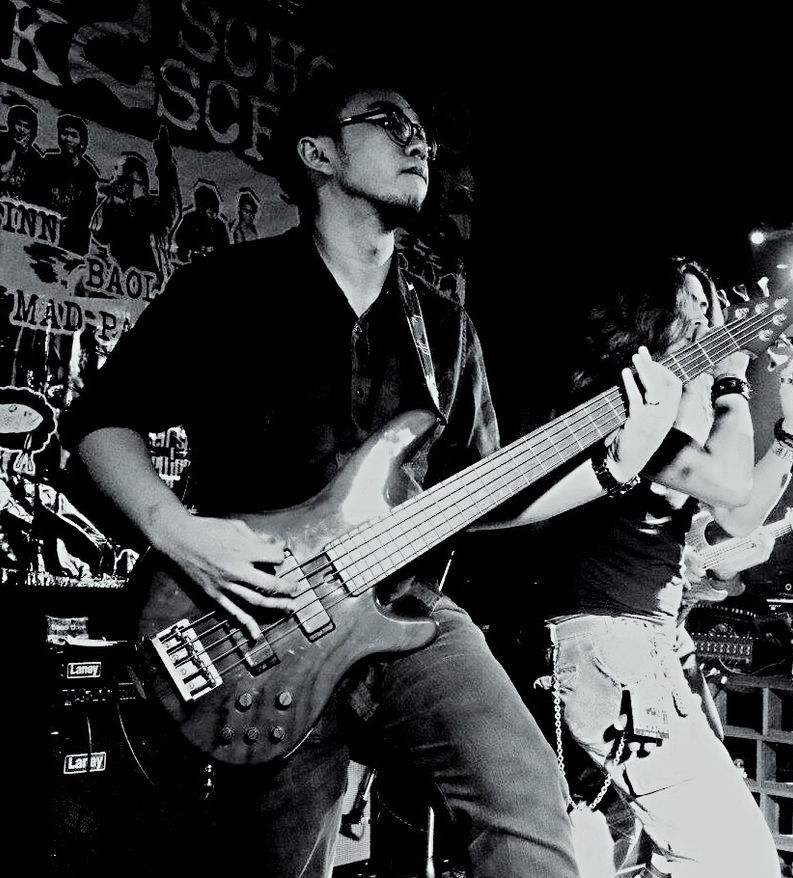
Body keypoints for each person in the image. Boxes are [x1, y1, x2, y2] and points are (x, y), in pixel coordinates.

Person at [61, 68, 685, 877]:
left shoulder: (445, 327)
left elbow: (479, 495)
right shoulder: (227, 291)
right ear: (318, 153)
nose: (417, 139)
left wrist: (614, 470)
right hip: (260, 618)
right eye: (389, 122)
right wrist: (177, 531)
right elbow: (99, 424)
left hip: (406, 608)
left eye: (424, 129)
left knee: (526, 800)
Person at [533, 256, 793, 878]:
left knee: (633, 854)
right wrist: (732, 384)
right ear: (647, 316)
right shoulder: (624, 403)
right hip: (609, 644)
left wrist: (792, 437)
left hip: (638, 644)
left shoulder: (678, 416)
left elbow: (743, 514)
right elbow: (728, 483)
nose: (705, 313)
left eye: (709, 303)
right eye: (688, 300)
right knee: (732, 858)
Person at [89, 127, 179, 274]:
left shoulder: (152, 208)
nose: (119, 186)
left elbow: (171, 207)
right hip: (116, 278)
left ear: (139, 185)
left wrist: (165, 163)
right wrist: (110, 203)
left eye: (124, 182)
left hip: (149, 281)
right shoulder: (112, 207)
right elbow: (99, 235)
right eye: (117, 180)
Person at [28, 113, 98, 254]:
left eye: (73, 135)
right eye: (64, 134)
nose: (68, 139)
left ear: (82, 143)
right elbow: (32, 197)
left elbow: (86, 219)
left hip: (71, 245)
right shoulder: (47, 163)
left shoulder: (89, 175)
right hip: (41, 234)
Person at [0, 102, 40, 198]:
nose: (21, 129)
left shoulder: (35, 158)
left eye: (26, 126)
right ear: (11, 123)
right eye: (18, 124)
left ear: (31, 131)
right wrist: (15, 149)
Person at [172, 179, 229, 262]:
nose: (213, 215)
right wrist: (196, 247)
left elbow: (225, 245)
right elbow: (180, 239)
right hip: (195, 259)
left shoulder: (219, 224)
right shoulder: (190, 219)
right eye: (210, 211)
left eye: (214, 211)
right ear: (202, 208)